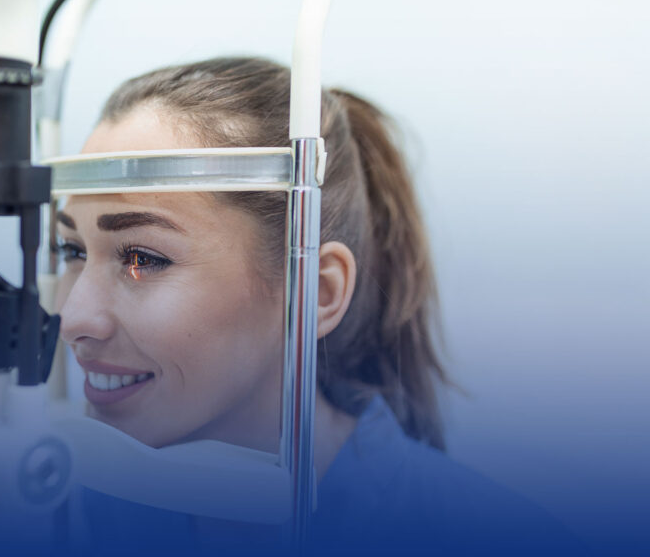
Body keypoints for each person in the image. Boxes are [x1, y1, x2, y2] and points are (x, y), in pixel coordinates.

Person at [54, 57, 583, 555]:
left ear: (314, 292)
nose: (73, 319)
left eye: (142, 259)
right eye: (73, 251)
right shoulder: (84, 510)